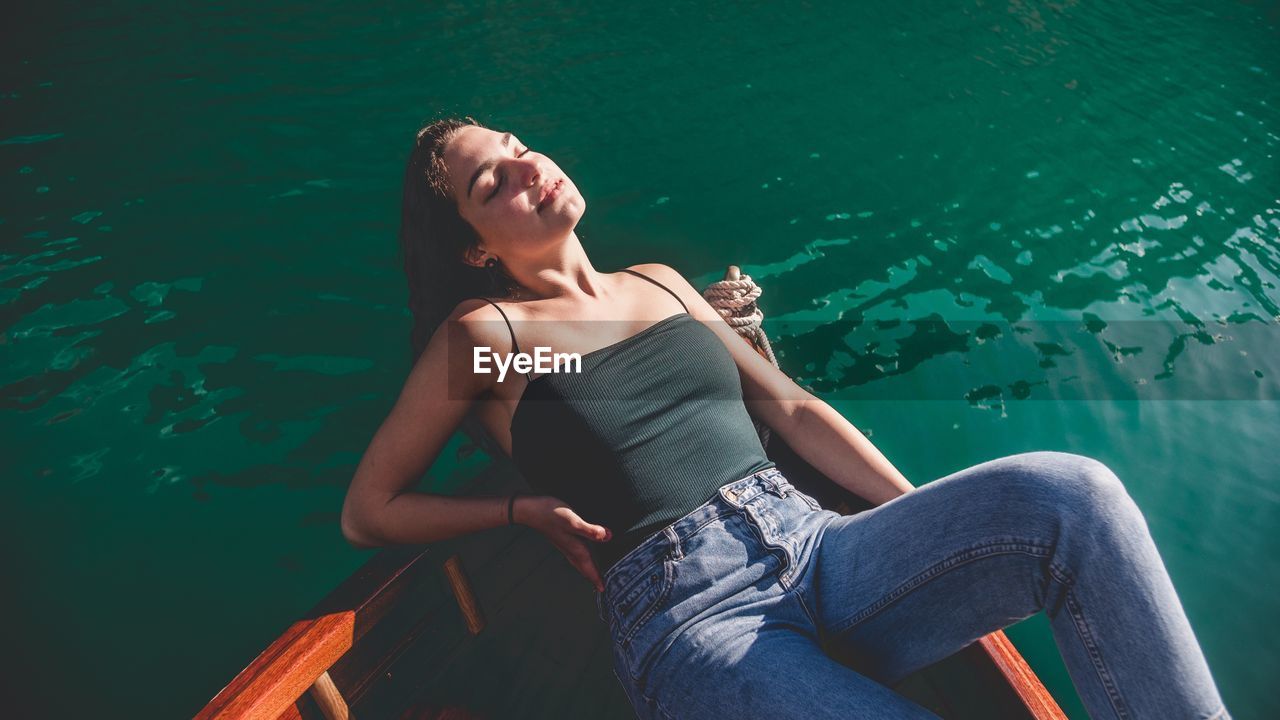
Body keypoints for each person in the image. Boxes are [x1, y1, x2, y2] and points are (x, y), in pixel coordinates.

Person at [340, 116, 1231, 719]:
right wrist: (515, 510)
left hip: (816, 543)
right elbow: (370, 509)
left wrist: (923, 522)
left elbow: (794, 413)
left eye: (518, 145)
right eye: (493, 182)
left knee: (1075, 497)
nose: (529, 166)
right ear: (472, 246)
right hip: (691, 618)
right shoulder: (491, 336)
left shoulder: (656, 283)